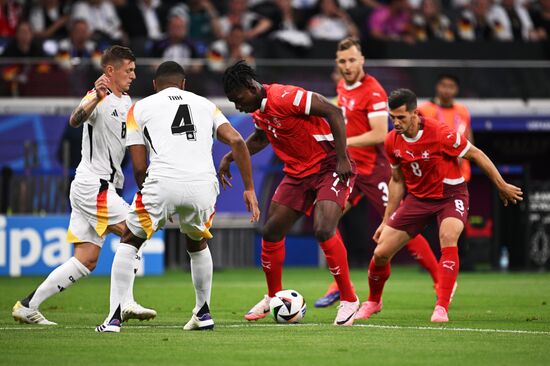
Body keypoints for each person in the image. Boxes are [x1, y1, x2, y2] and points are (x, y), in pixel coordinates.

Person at [97, 61, 260, 332]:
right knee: (197, 242)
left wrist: (155, 195)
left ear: (154, 85)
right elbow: (238, 142)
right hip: (203, 185)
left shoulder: (140, 107)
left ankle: (113, 317)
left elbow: (139, 167)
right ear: (184, 84)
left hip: (162, 180)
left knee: (130, 239)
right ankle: (203, 312)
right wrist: (249, 188)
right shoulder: (206, 104)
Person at [12, 45, 156, 326]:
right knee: (135, 231)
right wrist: (95, 98)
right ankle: (124, 302)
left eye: (134, 70)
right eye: (129, 70)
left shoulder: (126, 102)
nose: (133, 75)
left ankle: (28, 305)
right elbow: (75, 119)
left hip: (98, 186)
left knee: (86, 259)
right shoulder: (96, 96)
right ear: (110, 71)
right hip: (94, 186)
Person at [219, 60, 360, 326]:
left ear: (251, 87)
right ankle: (273, 297)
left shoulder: (286, 96)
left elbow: (333, 112)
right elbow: (261, 138)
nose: (238, 106)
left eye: (238, 100)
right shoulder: (258, 110)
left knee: (323, 229)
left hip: (329, 165)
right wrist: (231, 157)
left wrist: (342, 157)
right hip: (297, 173)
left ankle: (349, 299)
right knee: (271, 231)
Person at [364, 88, 522, 322]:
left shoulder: (440, 133)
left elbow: (476, 154)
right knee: (380, 253)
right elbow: (396, 181)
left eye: (401, 117)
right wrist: (386, 219)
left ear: (415, 113)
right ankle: (374, 302)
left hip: (450, 196)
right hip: (417, 200)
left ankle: (441, 307)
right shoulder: (391, 142)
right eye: (392, 118)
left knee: (448, 238)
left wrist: (500, 184)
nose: (395, 123)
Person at [314, 38, 440, 311]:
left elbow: (379, 134)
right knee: (325, 221)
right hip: (351, 170)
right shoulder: (342, 87)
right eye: (342, 61)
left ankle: (440, 279)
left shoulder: (373, 91)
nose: (347, 66)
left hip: (374, 171)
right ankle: (339, 285)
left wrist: (342, 143)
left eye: (351, 60)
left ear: (362, 61)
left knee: (399, 227)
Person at [419, 74, 473, 183]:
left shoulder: (463, 111)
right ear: (437, 87)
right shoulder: (424, 110)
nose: (447, 90)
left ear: (456, 89)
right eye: (443, 85)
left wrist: (464, 155)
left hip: (461, 173)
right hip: (434, 174)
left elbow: (469, 137)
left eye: (451, 86)